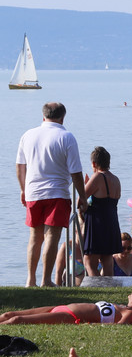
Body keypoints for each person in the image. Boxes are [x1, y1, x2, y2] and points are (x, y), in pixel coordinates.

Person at [16, 102, 88, 287]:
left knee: (35, 237)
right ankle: (46, 280)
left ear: (43, 116)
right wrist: (82, 196)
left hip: (33, 192)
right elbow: (76, 172)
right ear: (63, 117)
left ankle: (30, 280)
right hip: (57, 193)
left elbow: (20, 166)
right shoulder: (66, 137)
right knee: (51, 237)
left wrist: (23, 189)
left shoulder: (28, 135)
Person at [0, 285, 132, 325]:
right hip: (62, 307)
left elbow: (119, 326)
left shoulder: (130, 314)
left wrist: (89, 325)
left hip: (70, 316)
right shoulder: (121, 306)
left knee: (17, 320)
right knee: (9, 315)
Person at [81, 146, 122, 276]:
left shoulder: (97, 177)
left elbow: (81, 201)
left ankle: (97, 286)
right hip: (112, 221)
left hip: (97, 222)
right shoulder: (116, 180)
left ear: (94, 163)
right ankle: (108, 287)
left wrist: (85, 185)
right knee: (107, 258)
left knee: (89, 261)